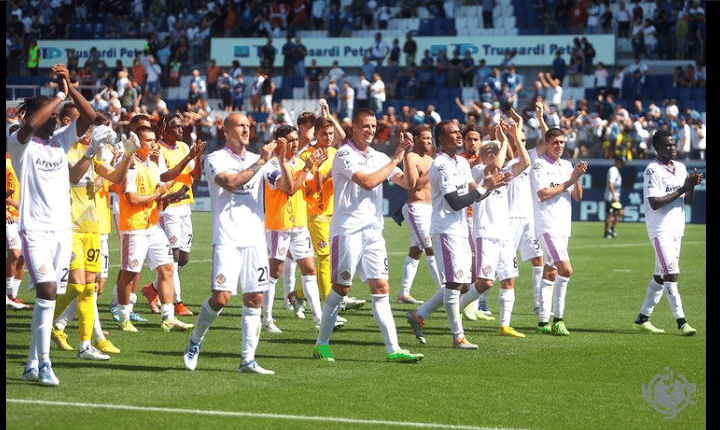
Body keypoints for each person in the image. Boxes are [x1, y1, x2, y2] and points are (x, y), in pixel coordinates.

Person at [311, 108, 424, 363]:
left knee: (381, 287)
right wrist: (394, 160)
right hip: (347, 230)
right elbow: (368, 182)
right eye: (366, 126)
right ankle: (322, 343)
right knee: (341, 287)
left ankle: (393, 348)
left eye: (373, 126)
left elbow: (409, 183)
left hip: (373, 232)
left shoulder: (379, 156)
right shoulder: (344, 154)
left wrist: (406, 155)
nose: (371, 131)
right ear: (353, 127)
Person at [10, 63, 96, 386]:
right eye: (52, 113)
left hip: (63, 231)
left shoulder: (60, 142)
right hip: (35, 229)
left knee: (48, 300)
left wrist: (71, 86)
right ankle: (45, 363)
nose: (57, 117)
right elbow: (31, 122)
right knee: (46, 291)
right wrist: (58, 95)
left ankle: (31, 364)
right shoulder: (20, 142)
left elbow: (90, 119)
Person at [182, 113, 283, 374]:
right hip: (227, 239)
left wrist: (282, 159)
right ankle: (195, 341)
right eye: (241, 125)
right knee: (221, 297)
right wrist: (262, 160)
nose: (247, 130)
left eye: (249, 126)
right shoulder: (214, 159)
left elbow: (283, 186)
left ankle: (247, 360)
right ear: (226, 131)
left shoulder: (259, 160)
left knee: (255, 298)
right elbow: (229, 183)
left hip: (255, 240)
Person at [406, 121, 510, 348]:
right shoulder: (441, 165)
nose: (458, 134)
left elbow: (474, 193)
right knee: (454, 284)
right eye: (452, 132)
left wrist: (490, 185)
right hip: (445, 230)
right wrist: (484, 187)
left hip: (462, 229)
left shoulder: (462, 162)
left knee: (461, 283)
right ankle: (457, 337)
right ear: (441, 140)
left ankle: (419, 314)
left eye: (458, 131)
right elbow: (454, 202)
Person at [51, 111, 134, 359]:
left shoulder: (94, 152)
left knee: (89, 289)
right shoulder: (62, 149)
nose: (89, 133)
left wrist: (128, 155)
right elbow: (73, 176)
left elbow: (115, 178)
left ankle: (84, 346)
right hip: (69, 226)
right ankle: (49, 322)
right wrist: (92, 149)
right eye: (86, 129)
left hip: (91, 227)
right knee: (76, 285)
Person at [113, 124, 194, 333]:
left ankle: (168, 318)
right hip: (134, 228)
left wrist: (171, 196)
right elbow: (131, 199)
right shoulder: (131, 165)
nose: (153, 144)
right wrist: (159, 195)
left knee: (167, 268)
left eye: (153, 139)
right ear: (137, 143)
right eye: (148, 140)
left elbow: (156, 196)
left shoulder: (153, 165)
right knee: (129, 274)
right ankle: (123, 316)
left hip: (153, 225)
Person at [460, 121, 531, 338]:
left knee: (508, 279)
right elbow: (493, 167)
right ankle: (456, 307)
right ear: (484, 155)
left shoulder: (505, 171)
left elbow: (525, 162)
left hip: (505, 234)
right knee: (485, 282)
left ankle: (504, 325)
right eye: (490, 152)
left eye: (496, 152)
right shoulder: (478, 170)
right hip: (486, 233)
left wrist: (514, 137)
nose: (495, 155)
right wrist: (501, 141)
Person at [633, 130, 702, 336]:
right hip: (660, 229)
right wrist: (683, 188)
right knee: (671, 273)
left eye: (673, 144)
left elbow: (687, 201)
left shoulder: (680, 168)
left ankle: (642, 318)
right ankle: (682, 322)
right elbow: (654, 203)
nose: (672, 147)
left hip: (676, 228)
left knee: (660, 277)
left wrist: (691, 186)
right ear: (657, 148)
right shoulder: (652, 171)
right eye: (668, 145)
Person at [141, 114, 206, 317]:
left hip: (185, 205)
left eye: (181, 127)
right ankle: (177, 302)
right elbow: (163, 176)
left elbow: (195, 175)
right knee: (174, 256)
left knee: (184, 258)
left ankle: (152, 288)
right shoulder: (158, 149)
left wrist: (198, 155)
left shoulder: (185, 147)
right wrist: (189, 157)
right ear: (165, 129)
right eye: (176, 128)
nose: (181, 131)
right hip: (168, 207)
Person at [263, 125, 326, 333]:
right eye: (289, 140)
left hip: (299, 224)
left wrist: (316, 167)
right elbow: (289, 189)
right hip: (278, 225)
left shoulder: (299, 162)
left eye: (294, 139)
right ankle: (267, 319)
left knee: (309, 269)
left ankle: (318, 318)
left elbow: (313, 188)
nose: (293, 143)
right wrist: (306, 169)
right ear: (279, 142)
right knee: (275, 271)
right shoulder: (270, 166)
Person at [529, 127, 587, 335]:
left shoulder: (567, 165)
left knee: (551, 271)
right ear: (546, 143)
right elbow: (543, 193)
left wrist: (576, 177)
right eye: (555, 142)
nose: (560, 146)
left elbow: (577, 197)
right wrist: (569, 181)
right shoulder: (538, 165)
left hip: (563, 227)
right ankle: (558, 319)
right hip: (546, 226)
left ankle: (543, 321)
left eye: (562, 142)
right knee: (566, 270)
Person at [397, 125, 443, 304]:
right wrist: (434, 170)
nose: (429, 142)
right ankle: (443, 290)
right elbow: (415, 184)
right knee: (430, 248)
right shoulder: (411, 157)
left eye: (430, 139)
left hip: (430, 209)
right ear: (416, 139)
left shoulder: (431, 160)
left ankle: (404, 292)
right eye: (425, 138)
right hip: (416, 208)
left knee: (416, 251)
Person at [6, 126, 28, 310]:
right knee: (14, 252)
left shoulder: (28, 161)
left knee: (22, 256)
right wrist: (9, 206)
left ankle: (14, 295)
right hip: (9, 216)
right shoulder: (7, 162)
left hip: (27, 217)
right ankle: (7, 294)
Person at [604, 156, 625, 239]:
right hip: (611, 197)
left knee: (620, 213)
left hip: (616, 196)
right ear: (617, 162)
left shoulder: (617, 171)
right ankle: (607, 231)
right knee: (610, 214)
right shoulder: (613, 170)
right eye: (621, 163)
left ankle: (612, 229)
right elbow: (610, 184)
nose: (622, 165)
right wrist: (613, 195)